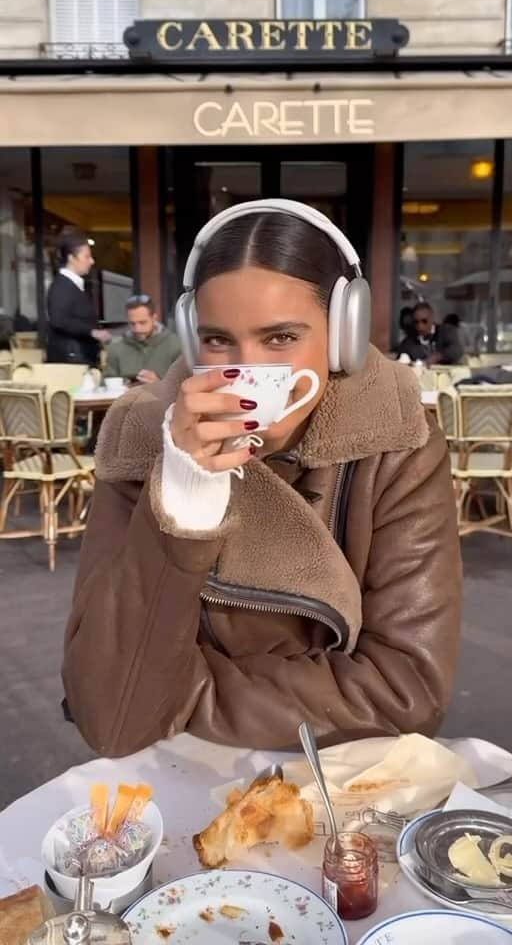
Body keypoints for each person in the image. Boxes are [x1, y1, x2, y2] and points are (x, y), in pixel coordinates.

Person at [62, 200, 462, 758]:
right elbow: (111, 714)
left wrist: (181, 696)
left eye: (279, 339)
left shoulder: (398, 443)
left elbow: (406, 691)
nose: (246, 371)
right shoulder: (141, 437)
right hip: (174, 781)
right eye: (218, 340)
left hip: (342, 784)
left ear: (342, 335)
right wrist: (182, 500)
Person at [46, 229, 110, 366]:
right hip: (71, 361)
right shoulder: (62, 286)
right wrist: (92, 332)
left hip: (77, 357)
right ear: (71, 258)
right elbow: (58, 320)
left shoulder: (71, 285)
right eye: (87, 257)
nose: (92, 261)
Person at [105, 294, 181, 384]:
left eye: (142, 322)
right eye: (132, 323)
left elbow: (183, 385)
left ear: (154, 318)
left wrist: (159, 384)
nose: (137, 329)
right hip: (126, 397)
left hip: (161, 397)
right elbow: (107, 383)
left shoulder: (176, 345)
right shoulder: (116, 347)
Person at [397, 302, 463, 365]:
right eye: (416, 322)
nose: (420, 326)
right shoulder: (410, 340)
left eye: (424, 321)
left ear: (432, 318)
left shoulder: (446, 331)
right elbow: (401, 356)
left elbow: (456, 350)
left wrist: (438, 356)